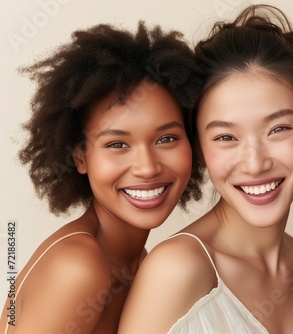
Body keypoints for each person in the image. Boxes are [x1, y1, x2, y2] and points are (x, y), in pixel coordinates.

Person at [119, 5, 293, 334]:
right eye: (225, 137)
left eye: (278, 129)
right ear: (200, 148)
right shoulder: (176, 270)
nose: (255, 162)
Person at [0, 21, 204, 333]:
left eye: (166, 139)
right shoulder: (80, 265)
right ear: (80, 156)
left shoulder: (135, 262)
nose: (147, 168)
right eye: (117, 144)